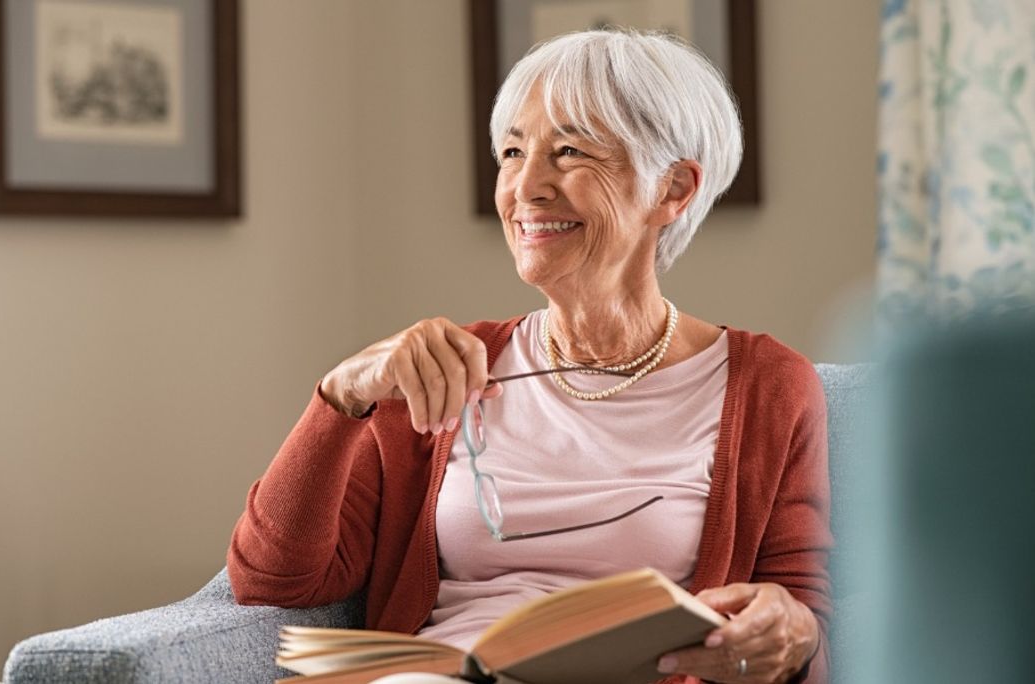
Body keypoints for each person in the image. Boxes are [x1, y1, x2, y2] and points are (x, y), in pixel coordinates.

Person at [228, 29, 831, 684]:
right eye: (513, 152)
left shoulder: (769, 387)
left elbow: (803, 615)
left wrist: (792, 631)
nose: (526, 187)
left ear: (673, 189)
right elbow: (272, 579)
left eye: (569, 152)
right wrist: (340, 397)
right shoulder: (440, 370)